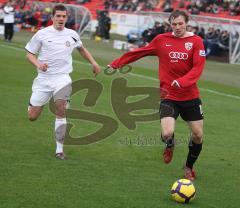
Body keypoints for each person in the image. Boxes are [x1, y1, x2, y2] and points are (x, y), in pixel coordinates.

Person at [108, 10, 206, 181]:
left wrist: (182, 81)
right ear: (170, 24)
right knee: (167, 133)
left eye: (180, 23)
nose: (177, 27)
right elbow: (140, 52)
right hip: (168, 95)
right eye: (174, 24)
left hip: (190, 96)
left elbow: (198, 68)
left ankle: (189, 167)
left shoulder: (196, 41)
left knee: (198, 135)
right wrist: (117, 63)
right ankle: (170, 145)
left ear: (187, 23)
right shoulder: (161, 40)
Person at [25, 4, 101, 160]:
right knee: (32, 117)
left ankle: (59, 150)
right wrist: (38, 64)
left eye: (63, 16)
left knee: (60, 108)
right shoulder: (42, 34)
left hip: (62, 77)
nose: (61, 19)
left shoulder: (72, 34)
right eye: (58, 16)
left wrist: (94, 63)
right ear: (52, 17)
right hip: (44, 80)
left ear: (66, 18)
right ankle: (38, 102)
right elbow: (29, 53)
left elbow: (81, 49)